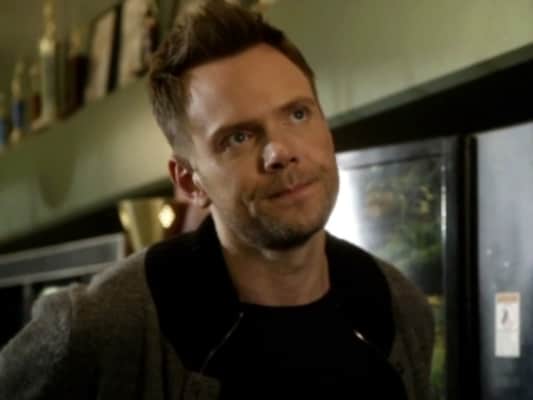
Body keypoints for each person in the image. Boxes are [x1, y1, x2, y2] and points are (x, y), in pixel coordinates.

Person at [0, 1, 434, 399]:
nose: (280, 152)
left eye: (298, 114)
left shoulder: (398, 305)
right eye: (238, 137)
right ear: (190, 181)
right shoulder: (106, 324)